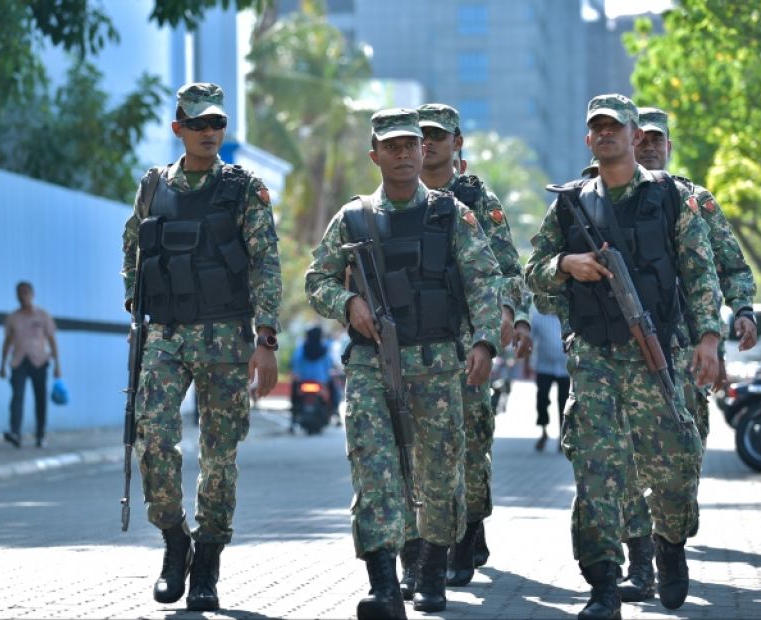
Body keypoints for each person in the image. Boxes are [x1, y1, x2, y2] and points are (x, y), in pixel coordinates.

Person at [525, 93, 723, 619]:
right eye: (598, 128)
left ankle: (671, 545)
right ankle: (604, 587)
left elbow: (701, 272)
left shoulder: (672, 198)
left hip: (661, 354)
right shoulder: (569, 203)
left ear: (637, 136)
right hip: (594, 357)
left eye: (618, 126)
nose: (607, 134)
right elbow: (532, 270)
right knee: (596, 472)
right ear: (588, 139)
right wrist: (567, 263)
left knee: (677, 464)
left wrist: (708, 339)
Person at [305, 107, 501, 619]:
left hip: (439, 366)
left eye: (411, 145)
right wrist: (348, 304)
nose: (403, 154)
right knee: (374, 473)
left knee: (440, 474)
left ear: (423, 152)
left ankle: (432, 571)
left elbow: (484, 280)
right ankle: (385, 588)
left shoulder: (453, 214)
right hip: (373, 365)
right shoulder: (351, 218)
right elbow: (317, 278)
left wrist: (485, 341)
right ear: (375, 155)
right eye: (391, 147)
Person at [120, 82, 281, 612]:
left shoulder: (244, 188)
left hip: (225, 336)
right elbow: (133, 246)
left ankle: (208, 562)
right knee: (154, 436)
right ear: (178, 130)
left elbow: (265, 264)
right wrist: (134, 304)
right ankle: (174, 539)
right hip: (165, 332)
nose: (210, 132)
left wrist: (265, 338)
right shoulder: (154, 186)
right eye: (199, 124)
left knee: (219, 455)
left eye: (217, 124)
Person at [613, 106, 758, 604]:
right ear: (628, 141)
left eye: (658, 139)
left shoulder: (692, 200)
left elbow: (730, 264)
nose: (650, 147)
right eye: (643, 138)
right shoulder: (596, 198)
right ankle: (639, 560)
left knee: (680, 454)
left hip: (682, 354)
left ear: (668, 146)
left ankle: (670, 540)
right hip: (615, 355)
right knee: (624, 457)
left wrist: (740, 311)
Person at [413, 102, 532, 589]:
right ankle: (434, 540)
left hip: (467, 339)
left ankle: (469, 528)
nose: (426, 143)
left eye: (437, 135)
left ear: (456, 142)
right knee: (423, 446)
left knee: (470, 440)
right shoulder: (398, 197)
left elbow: (507, 264)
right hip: (418, 339)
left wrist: (513, 315)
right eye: (418, 135)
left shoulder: (476, 198)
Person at [0, 281, 61, 449]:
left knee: (40, 399)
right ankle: (15, 433)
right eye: (19, 292)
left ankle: (40, 435)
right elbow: (7, 342)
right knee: (17, 397)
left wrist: (57, 365)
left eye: (25, 292)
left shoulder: (42, 316)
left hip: (40, 362)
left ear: (32, 294)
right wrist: (2, 365)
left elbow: (52, 340)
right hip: (19, 362)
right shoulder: (13, 318)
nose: (22, 295)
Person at [528, 304, 570, 452]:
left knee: (564, 404)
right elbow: (530, 340)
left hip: (565, 368)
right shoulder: (539, 317)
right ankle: (544, 432)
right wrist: (527, 363)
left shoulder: (567, 314)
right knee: (542, 400)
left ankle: (562, 437)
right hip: (544, 366)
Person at [289, 325, 340, 432]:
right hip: (321, 381)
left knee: (294, 396)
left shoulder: (302, 348)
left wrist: (297, 375)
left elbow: (295, 362)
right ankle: (336, 413)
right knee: (334, 392)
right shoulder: (324, 349)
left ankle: (293, 419)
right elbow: (329, 365)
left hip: (304, 380)